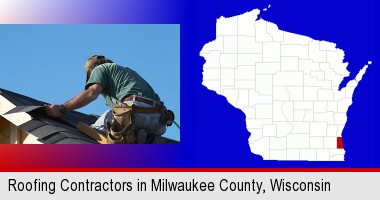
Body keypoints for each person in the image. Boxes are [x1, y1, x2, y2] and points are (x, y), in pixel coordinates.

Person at [44, 55, 167, 143]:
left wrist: (62, 108)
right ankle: (145, 138)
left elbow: (92, 93)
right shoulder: (125, 74)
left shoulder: (99, 69)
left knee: (95, 132)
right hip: (159, 121)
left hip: (136, 111)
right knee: (131, 138)